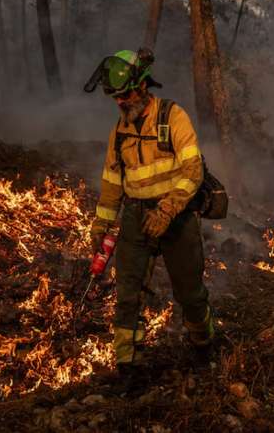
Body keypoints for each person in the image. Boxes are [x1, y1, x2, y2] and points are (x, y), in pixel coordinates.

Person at [83, 48, 215, 379]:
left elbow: (193, 171)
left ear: (142, 86)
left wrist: (167, 210)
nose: (120, 102)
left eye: (125, 94)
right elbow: (112, 184)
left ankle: (204, 345)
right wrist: (101, 225)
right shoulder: (119, 131)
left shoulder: (172, 117)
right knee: (127, 294)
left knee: (189, 292)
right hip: (135, 217)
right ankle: (128, 367)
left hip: (177, 216)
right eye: (115, 97)